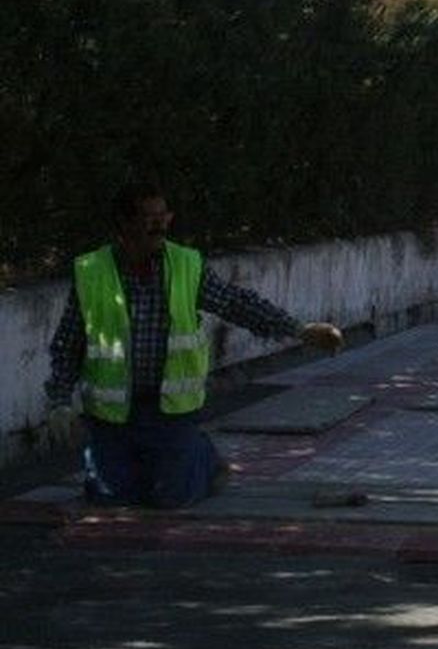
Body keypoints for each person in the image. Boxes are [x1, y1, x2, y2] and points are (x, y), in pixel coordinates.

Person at [44, 181, 345, 508]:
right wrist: (59, 402)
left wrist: (298, 330)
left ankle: (203, 458)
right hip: (110, 417)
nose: (160, 224)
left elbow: (235, 303)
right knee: (111, 499)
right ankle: (147, 462)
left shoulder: (185, 265)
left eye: (164, 215)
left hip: (168, 410)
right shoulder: (92, 272)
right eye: (149, 217)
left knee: (173, 497)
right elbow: (68, 343)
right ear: (124, 224)